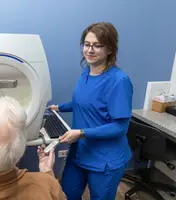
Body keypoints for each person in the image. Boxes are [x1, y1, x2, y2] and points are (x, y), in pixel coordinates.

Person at [49, 22, 133, 200]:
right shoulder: (86, 73)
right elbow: (83, 102)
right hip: (80, 152)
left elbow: (119, 127)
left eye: (97, 45)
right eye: (87, 44)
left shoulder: (119, 81)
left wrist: (80, 133)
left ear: (110, 49)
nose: (90, 50)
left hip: (105, 159)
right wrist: (60, 107)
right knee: (66, 194)